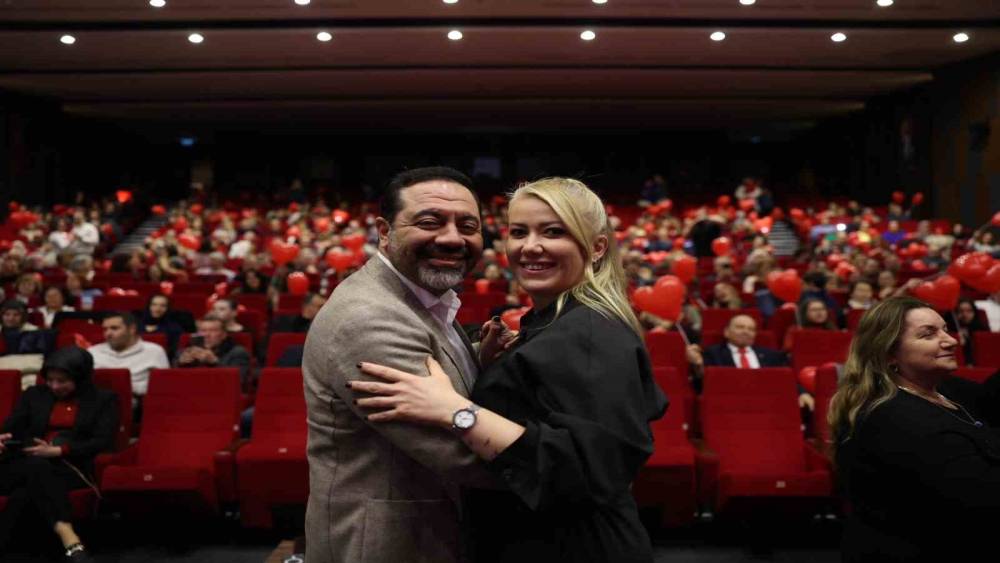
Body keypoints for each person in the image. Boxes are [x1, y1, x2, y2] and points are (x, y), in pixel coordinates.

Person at [352, 177, 667, 563]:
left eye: (553, 232)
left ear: (597, 247)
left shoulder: (588, 331)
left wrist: (455, 411)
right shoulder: (551, 321)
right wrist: (489, 365)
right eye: (519, 232)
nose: (530, 246)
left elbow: (584, 472)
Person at [301, 166, 498, 563]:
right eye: (430, 222)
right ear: (385, 232)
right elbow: (458, 451)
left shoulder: (419, 296)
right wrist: (567, 462)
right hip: (390, 543)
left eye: (468, 226)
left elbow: (438, 377)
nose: (452, 238)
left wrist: (480, 358)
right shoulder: (369, 318)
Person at [829, 296, 1000, 562]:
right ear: (889, 353)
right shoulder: (891, 418)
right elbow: (983, 497)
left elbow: (992, 398)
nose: (951, 340)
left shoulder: (943, 389)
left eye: (945, 329)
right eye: (928, 334)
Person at [0, 346, 118, 560]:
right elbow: (11, 428)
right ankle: (69, 537)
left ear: (80, 378)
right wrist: (4, 438)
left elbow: (103, 441)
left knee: (24, 493)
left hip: (70, 466)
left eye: (62, 381)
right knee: (36, 466)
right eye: (50, 380)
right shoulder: (34, 394)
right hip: (24, 462)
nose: (54, 386)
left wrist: (58, 450)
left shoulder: (103, 399)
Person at [689, 314, 813, 409]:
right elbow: (704, 383)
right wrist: (698, 366)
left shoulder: (772, 355)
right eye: (740, 327)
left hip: (768, 403)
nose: (746, 331)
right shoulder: (713, 353)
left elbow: (786, 378)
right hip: (731, 404)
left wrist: (801, 393)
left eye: (751, 329)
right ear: (726, 332)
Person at [87, 312, 170, 410]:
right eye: (105, 329)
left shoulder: (154, 351)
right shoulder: (92, 352)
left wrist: (130, 388)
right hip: (96, 404)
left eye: (114, 328)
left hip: (139, 406)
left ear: (132, 329)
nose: (108, 333)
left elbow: (163, 388)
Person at [175, 316, 250, 384]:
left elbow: (238, 381)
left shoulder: (238, 353)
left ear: (224, 335)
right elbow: (172, 379)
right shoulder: (185, 351)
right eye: (203, 330)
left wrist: (215, 362)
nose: (207, 335)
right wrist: (180, 364)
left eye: (213, 330)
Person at [946, 298, 988, 363]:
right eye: (960, 311)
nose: (965, 314)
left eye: (969, 311)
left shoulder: (982, 329)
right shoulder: (949, 331)